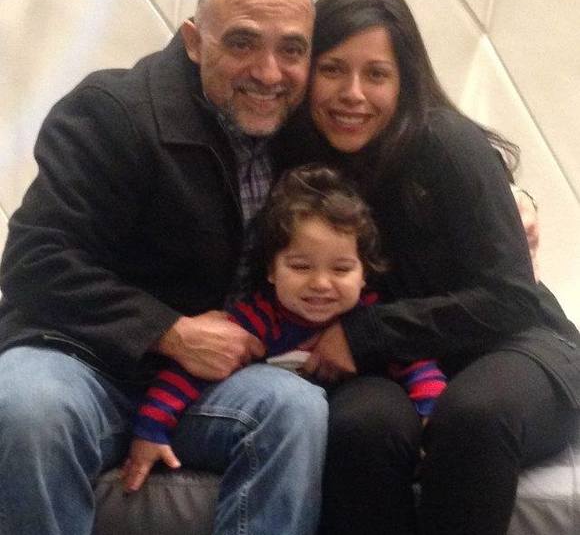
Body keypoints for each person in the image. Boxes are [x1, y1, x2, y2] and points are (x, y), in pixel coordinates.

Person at [0, 0, 330, 534]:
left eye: (291, 49)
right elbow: (35, 260)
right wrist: (170, 332)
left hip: (207, 386)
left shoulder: (304, 131)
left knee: (295, 410)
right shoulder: (112, 112)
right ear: (195, 42)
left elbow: (397, 154)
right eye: (243, 43)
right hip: (81, 363)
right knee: (26, 406)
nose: (269, 72)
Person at [276, 0, 580, 535]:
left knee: (474, 417)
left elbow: (510, 296)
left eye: (376, 74)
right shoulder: (294, 157)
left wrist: (366, 334)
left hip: (512, 343)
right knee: (362, 430)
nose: (352, 93)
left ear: (405, 79)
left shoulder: (448, 144)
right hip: (389, 366)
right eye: (333, 69)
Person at [121, 164, 448, 492]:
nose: (321, 283)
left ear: (364, 274)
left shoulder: (369, 320)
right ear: (272, 270)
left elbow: (416, 364)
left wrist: (431, 412)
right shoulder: (255, 320)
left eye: (341, 269)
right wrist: (151, 429)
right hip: (281, 435)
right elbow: (188, 372)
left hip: (347, 438)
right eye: (301, 266)